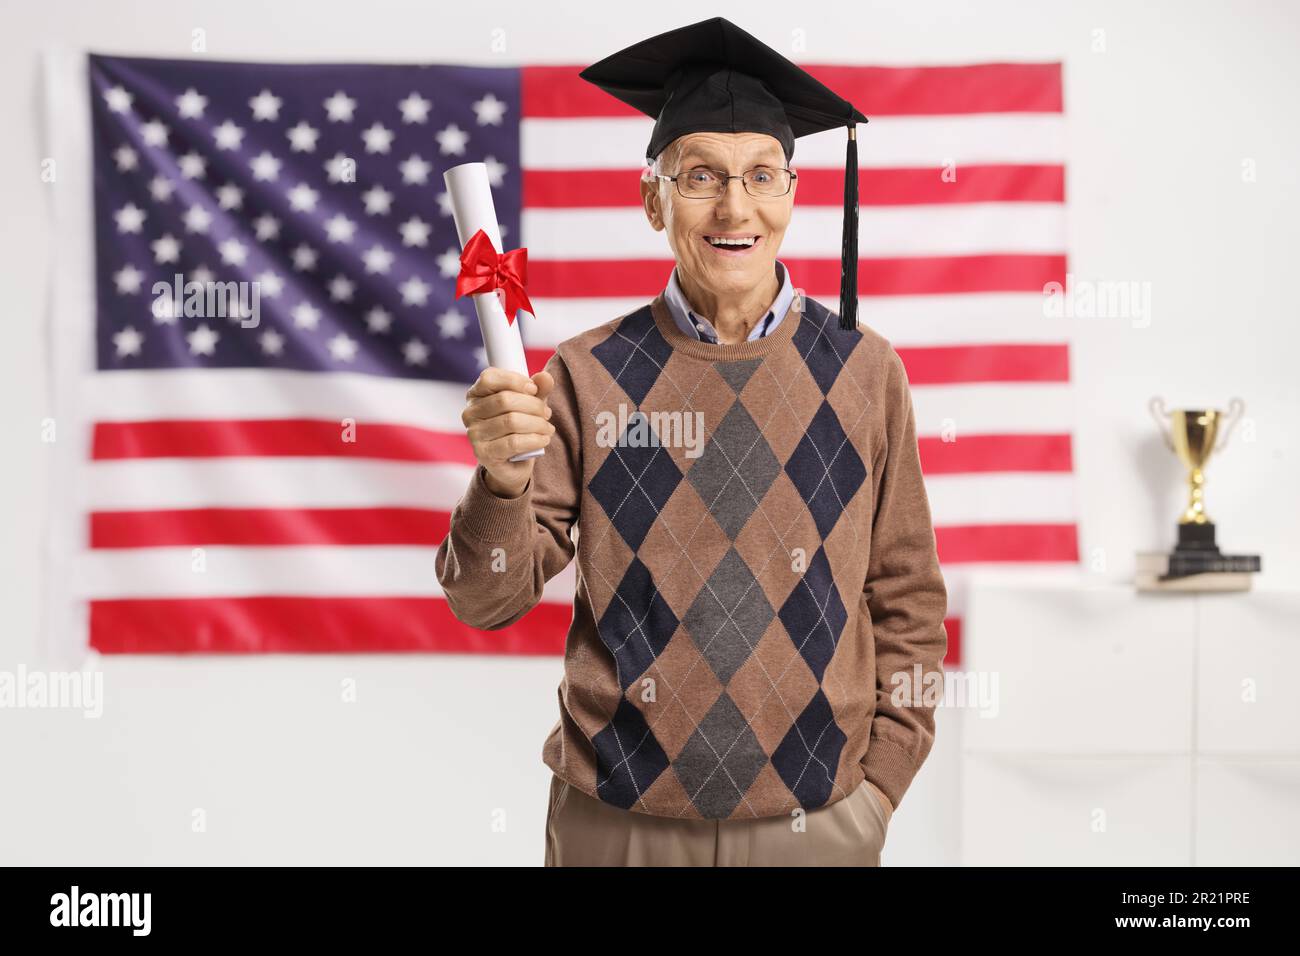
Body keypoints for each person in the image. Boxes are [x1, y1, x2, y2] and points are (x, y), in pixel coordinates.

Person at [435, 16, 948, 866]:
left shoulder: (865, 373)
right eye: (702, 174)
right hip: (619, 823)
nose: (735, 206)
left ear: (792, 192)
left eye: (761, 175)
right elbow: (484, 599)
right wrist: (498, 483)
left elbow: (908, 600)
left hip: (815, 824)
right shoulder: (583, 375)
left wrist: (880, 787)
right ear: (653, 200)